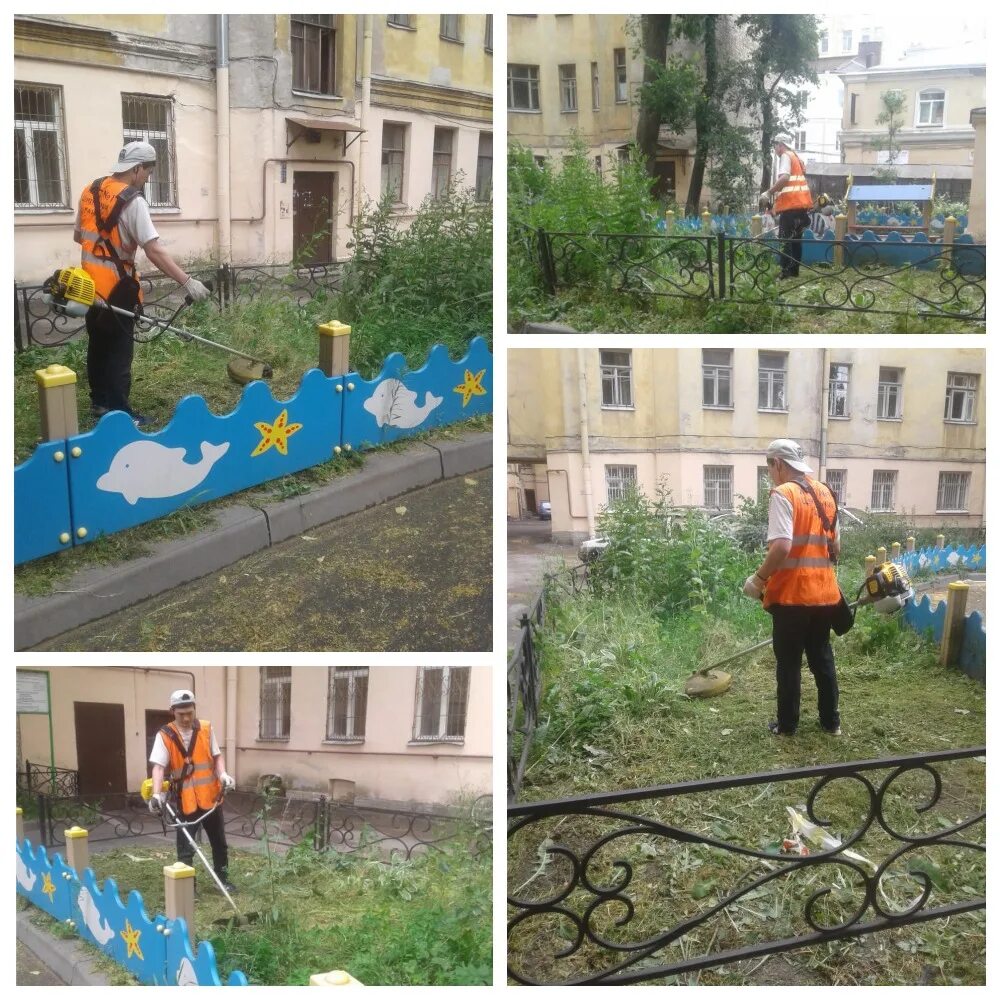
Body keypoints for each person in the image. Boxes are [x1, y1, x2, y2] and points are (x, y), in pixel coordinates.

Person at [74, 140, 211, 423]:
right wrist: (187, 282)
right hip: (116, 289)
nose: (147, 179)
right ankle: (120, 415)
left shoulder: (91, 190)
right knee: (119, 353)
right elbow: (154, 250)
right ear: (137, 168)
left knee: (98, 345)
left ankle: (99, 403)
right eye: (148, 172)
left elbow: (79, 236)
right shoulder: (132, 200)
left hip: (87, 286)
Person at [742, 439, 842, 737]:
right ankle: (831, 723)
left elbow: (782, 547)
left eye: (769, 467)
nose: (770, 473)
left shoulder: (783, 494)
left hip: (792, 596)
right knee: (822, 657)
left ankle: (787, 726)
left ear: (779, 464)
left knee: (788, 663)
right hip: (825, 594)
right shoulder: (825, 492)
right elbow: (835, 545)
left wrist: (758, 580)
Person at [148, 689, 237, 891]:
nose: (187, 718)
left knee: (219, 844)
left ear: (194, 709)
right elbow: (159, 767)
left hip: (211, 798)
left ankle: (222, 880)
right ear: (172, 711)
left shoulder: (206, 728)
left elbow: (216, 756)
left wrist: (223, 774)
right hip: (186, 801)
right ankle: (188, 888)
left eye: (190, 712)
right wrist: (156, 794)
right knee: (185, 848)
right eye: (181, 714)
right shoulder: (165, 735)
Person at [761, 134, 813, 278]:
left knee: (785, 239)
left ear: (781, 145)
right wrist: (775, 208)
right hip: (801, 206)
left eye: (775, 145)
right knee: (796, 240)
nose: (775, 149)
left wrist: (768, 192)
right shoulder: (797, 158)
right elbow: (790, 187)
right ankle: (794, 271)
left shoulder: (785, 156)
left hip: (791, 207)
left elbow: (785, 178)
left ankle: (785, 272)